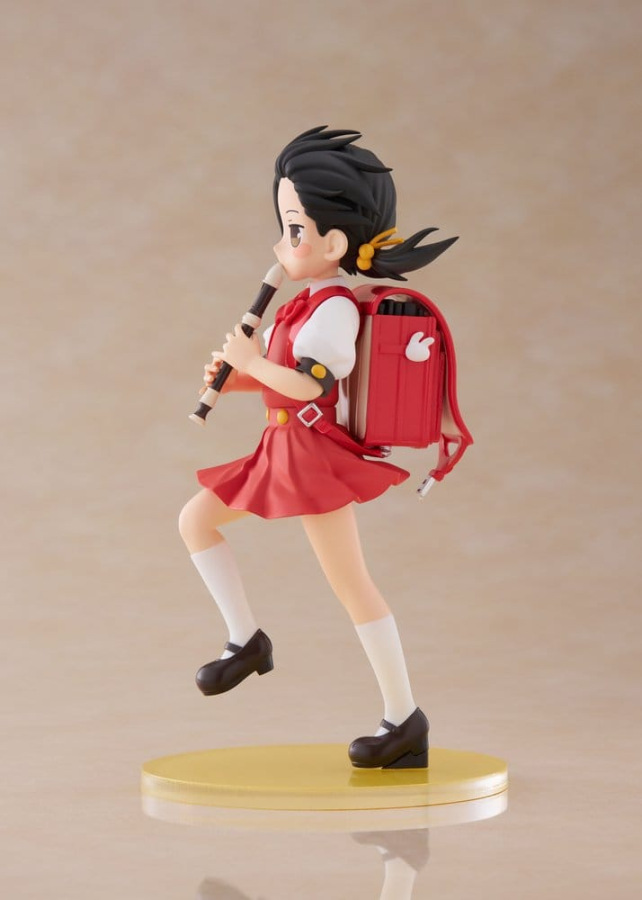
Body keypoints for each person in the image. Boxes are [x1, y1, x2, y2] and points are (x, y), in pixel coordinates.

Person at [178, 127, 457, 769]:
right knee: (195, 521)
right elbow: (281, 382)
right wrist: (235, 376)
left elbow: (312, 385)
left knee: (351, 584)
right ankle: (246, 641)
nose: (281, 245)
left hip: (312, 458)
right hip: (280, 447)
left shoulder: (335, 308)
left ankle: (404, 719)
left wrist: (253, 361)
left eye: (295, 230)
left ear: (333, 244)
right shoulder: (301, 305)